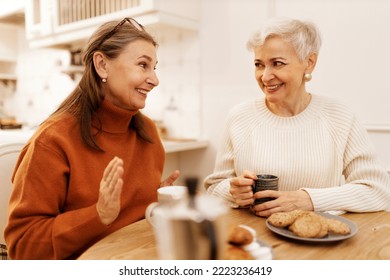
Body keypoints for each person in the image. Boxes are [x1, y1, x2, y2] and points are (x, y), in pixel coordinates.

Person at [5, 18, 180, 260]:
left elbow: (131, 224)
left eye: (154, 67)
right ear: (102, 65)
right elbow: (23, 248)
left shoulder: (148, 132)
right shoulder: (52, 141)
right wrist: (97, 216)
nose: (154, 79)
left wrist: (156, 199)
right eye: (143, 65)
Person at [204, 17, 390, 217]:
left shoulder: (339, 116)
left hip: (319, 242)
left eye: (277, 63)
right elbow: (214, 188)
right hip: (255, 241)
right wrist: (234, 192)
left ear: (309, 63)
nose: (265, 76)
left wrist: (308, 200)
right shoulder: (240, 116)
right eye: (259, 64)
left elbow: (378, 191)